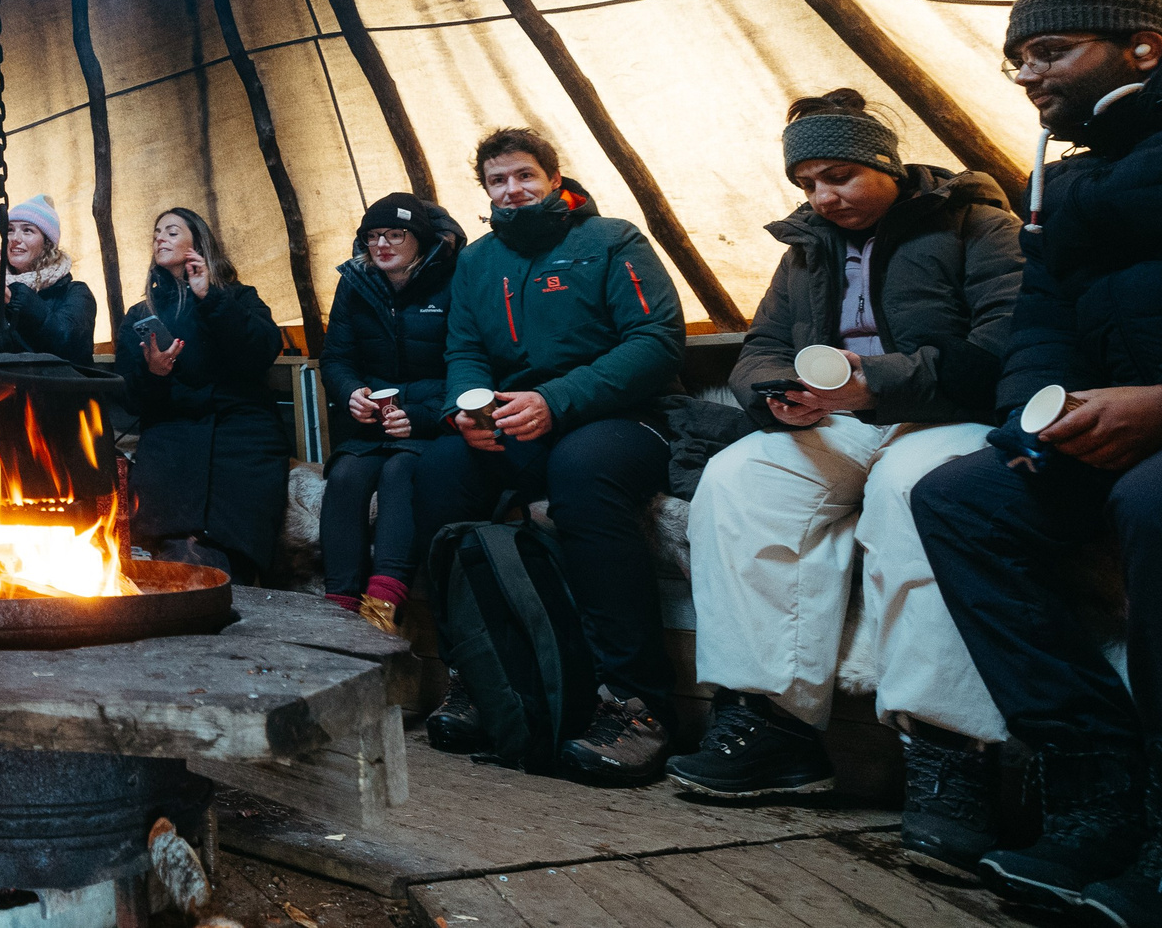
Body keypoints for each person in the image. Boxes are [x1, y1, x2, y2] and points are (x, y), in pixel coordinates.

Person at [912, 0, 1162, 920]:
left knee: (1160, 501)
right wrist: (1035, 418)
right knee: (959, 496)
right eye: (1018, 60)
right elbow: (1042, 314)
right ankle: (1096, 785)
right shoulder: (1067, 176)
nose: (1029, 75)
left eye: (1051, 51)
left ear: (1143, 45)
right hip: (1126, 411)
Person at [668, 91, 1019, 868]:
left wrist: (882, 381)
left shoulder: (974, 223)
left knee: (917, 497)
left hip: (941, 411)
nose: (825, 196)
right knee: (733, 481)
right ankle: (776, 730)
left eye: (840, 175)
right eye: (808, 183)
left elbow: (1004, 341)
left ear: (885, 163)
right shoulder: (804, 251)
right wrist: (772, 396)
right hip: (835, 415)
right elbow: (758, 348)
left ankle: (946, 750)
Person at [416, 126, 685, 784]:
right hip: (518, 421)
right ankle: (478, 675)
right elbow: (465, 349)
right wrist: (463, 410)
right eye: (498, 181)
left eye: (524, 175)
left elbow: (656, 337)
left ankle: (635, 704)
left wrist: (557, 400)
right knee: (438, 470)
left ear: (553, 177)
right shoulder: (477, 261)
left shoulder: (610, 240)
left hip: (618, 418)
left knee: (581, 474)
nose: (513, 190)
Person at [111, 207, 287, 582]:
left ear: (199, 243)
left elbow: (261, 351)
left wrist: (210, 297)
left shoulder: (238, 297)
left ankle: (227, 573)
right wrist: (155, 373)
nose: (160, 238)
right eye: (157, 232)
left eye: (172, 232)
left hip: (240, 429)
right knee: (172, 531)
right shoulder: (142, 314)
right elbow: (129, 397)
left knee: (232, 531)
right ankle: (185, 569)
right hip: (172, 429)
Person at [316, 194, 464, 635]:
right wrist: (350, 393)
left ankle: (382, 611)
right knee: (345, 477)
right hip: (368, 424)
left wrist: (420, 416)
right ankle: (339, 613)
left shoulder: (453, 279)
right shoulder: (356, 282)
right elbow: (336, 358)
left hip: (430, 423)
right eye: (373, 236)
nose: (382, 244)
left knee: (403, 473)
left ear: (418, 238)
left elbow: (466, 361)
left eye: (395, 234)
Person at [0, 195, 98, 367]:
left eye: (27, 230)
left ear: (47, 243)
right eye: (9, 230)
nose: (15, 238)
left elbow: (69, 346)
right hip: (2, 393)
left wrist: (7, 293)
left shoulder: (75, 293)